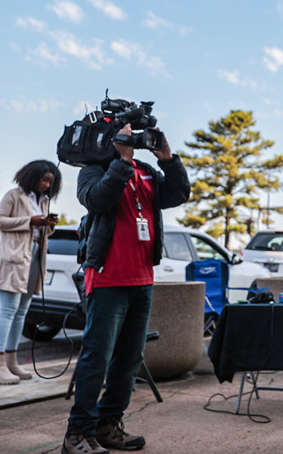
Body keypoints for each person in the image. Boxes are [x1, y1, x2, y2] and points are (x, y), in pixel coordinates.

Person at [63, 122, 189, 454]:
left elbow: (178, 194)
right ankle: (78, 433)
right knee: (97, 357)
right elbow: (97, 200)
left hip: (142, 279)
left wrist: (168, 159)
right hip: (107, 279)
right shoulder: (94, 170)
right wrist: (120, 160)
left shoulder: (147, 171)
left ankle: (108, 425)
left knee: (130, 359)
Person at [0, 160, 62, 384]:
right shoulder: (14, 195)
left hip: (35, 256)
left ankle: (10, 360)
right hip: (15, 258)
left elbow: (41, 231)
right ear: (33, 176)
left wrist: (48, 224)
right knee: (8, 310)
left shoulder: (43, 200)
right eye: (45, 179)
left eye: (51, 181)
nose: (48, 185)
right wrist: (31, 220)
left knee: (21, 311)